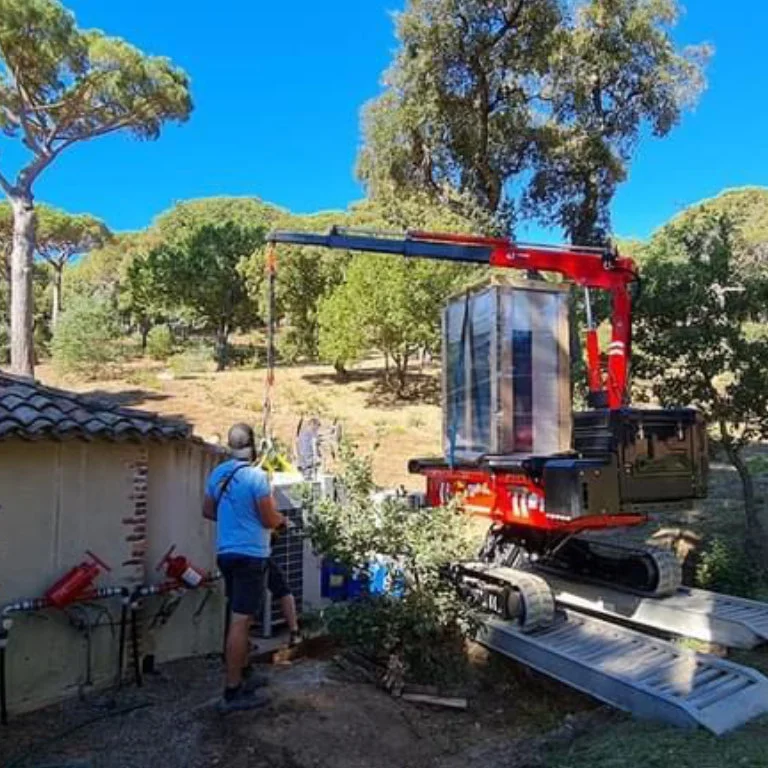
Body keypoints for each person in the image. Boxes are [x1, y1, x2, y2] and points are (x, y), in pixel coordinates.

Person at [203, 422, 286, 712]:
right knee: (241, 621)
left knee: (241, 616)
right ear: (253, 446)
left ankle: (245, 673)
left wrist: (234, 521)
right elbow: (268, 518)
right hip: (251, 555)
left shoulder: (217, 474)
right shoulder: (256, 477)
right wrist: (283, 522)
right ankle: (233, 691)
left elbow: (208, 510)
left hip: (226, 554)